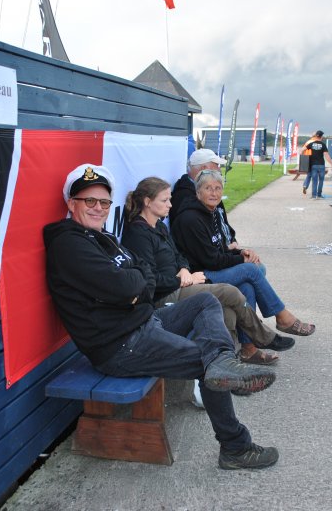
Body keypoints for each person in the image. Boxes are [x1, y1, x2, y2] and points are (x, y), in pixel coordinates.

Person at [44, 163, 279, 469]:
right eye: (89, 201)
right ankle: (236, 447)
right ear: (71, 203)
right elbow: (132, 283)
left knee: (206, 302)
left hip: (143, 323)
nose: (98, 208)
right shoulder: (69, 244)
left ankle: (223, 359)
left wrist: (135, 284)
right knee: (206, 364)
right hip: (120, 346)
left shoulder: (102, 237)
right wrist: (135, 284)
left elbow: (141, 276)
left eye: (104, 202)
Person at [121, 176, 295, 359]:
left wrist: (184, 269)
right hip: (165, 295)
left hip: (182, 283)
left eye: (170, 199)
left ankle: (228, 360)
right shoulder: (138, 234)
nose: (170, 205)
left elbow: (179, 255)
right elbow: (150, 281)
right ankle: (265, 337)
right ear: (147, 202)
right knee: (231, 291)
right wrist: (182, 280)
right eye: (165, 200)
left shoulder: (158, 226)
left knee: (230, 308)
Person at [171, 169, 316, 342]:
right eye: (208, 188)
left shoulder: (211, 212)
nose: (214, 193)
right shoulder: (190, 219)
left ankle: (249, 347)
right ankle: (282, 317)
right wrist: (241, 259)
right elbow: (212, 260)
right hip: (199, 275)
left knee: (249, 283)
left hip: (211, 267)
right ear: (198, 192)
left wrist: (240, 252)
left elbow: (219, 249)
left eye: (218, 188)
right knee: (252, 270)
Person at [302, 130, 332, 199]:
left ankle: (314, 196)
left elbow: (302, 150)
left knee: (314, 181)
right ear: (321, 137)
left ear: (316, 136)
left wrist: (303, 158)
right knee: (321, 181)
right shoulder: (323, 145)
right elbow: (326, 155)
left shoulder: (311, 144)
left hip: (313, 165)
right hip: (321, 165)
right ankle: (319, 195)